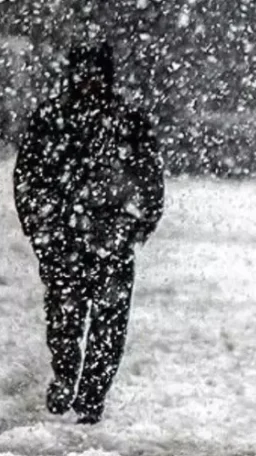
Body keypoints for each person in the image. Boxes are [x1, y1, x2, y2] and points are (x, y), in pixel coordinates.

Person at [13, 42, 164, 424]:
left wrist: (133, 228)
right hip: (65, 240)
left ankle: (91, 396)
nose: (90, 83)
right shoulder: (52, 120)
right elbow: (28, 179)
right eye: (84, 74)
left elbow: (150, 182)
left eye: (97, 74)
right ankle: (66, 376)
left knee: (107, 327)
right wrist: (41, 228)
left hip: (109, 241)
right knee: (65, 319)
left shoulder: (126, 122)